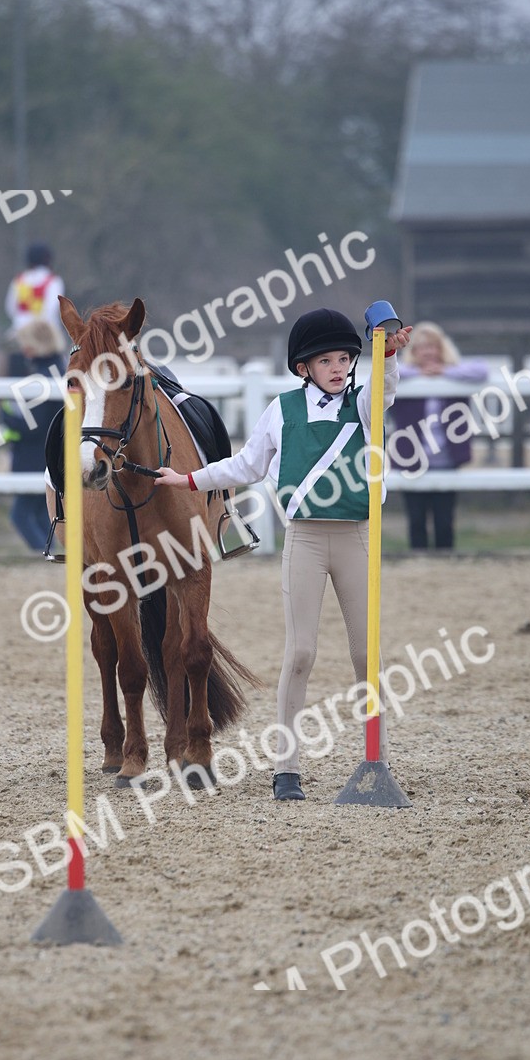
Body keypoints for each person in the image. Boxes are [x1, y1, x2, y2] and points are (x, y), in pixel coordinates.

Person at [156, 307, 413, 801]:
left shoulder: (363, 404)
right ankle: (286, 768)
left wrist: (387, 352)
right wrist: (187, 478)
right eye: (327, 361)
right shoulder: (281, 409)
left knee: (366, 654)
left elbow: (386, 386)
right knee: (301, 652)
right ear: (304, 368)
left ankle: (375, 760)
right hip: (305, 540)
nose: (338, 368)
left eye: (345, 358)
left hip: (358, 536)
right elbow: (247, 466)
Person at [391, 322, 488, 550]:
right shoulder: (404, 377)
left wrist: (444, 371)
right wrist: (419, 374)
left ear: (441, 348)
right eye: (422, 347)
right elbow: (387, 370)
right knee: (416, 520)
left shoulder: (455, 376)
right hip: (411, 459)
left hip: (446, 459)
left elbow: (482, 370)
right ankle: (419, 562)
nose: (428, 352)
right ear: (413, 351)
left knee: (444, 520)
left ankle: (446, 562)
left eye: (433, 346)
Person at [0, 319, 65, 552]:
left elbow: (32, 425)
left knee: (22, 515)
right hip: (49, 455)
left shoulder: (44, 375)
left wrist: (4, 416)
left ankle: (44, 556)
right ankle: (50, 554)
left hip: (35, 456)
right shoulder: (58, 368)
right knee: (41, 514)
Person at [4, 242, 69, 348]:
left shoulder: (18, 281)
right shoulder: (54, 281)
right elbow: (51, 310)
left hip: (21, 335)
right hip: (46, 336)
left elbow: (10, 308)